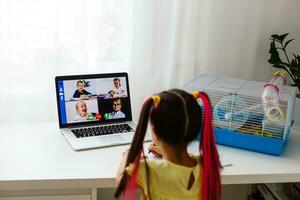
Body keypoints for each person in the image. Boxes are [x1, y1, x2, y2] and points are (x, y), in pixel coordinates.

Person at [114, 89, 222, 200]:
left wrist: (127, 155)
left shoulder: (149, 170)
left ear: (155, 132)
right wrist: (169, 151)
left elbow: (120, 181)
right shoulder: (209, 164)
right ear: (194, 129)